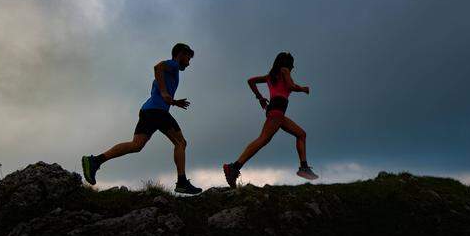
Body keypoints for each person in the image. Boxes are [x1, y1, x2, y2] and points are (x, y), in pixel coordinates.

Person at [82, 43, 202, 195]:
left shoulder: (171, 72)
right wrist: (165, 93)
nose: (189, 63)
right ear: (180, 54)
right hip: (157, 112)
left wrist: (173, 101)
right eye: (188, 58)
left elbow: (159, 91)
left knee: (136, 145)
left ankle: (95, 161)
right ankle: (182, 182)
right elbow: (157, 67)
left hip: (148, 111)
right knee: (181, 142)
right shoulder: (172, 64)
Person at [223, 52, 319, 187]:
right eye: (292, 63)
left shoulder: (270, 76)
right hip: (277, 110)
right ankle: (234, 167)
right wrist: (303, 89)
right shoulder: (284, 70)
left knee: (301, 134)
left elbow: (251, 81)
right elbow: (291, 86)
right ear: (287, 63)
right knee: (262, 139)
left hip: (276, 111)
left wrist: (260, 98)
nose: (293, 67)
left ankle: (304, 168)